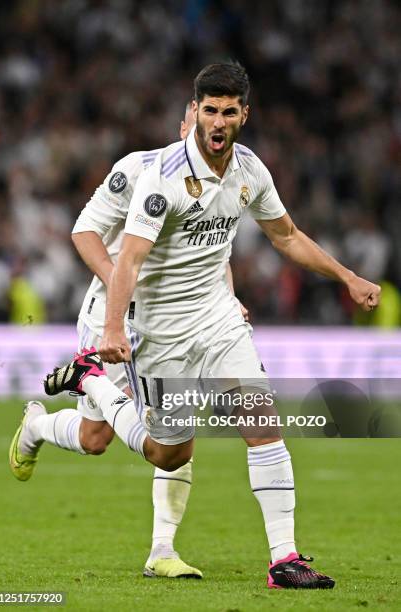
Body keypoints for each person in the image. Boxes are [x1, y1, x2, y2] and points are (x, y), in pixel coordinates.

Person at [43, 62, 380, 589]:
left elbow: (286, 235)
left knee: (263, 421)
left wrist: (347, 276)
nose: (218, 122)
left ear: (244, 114)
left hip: (219, 321)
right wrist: (112, 332)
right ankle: (92, 381)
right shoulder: (160, 177)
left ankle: (284, 559)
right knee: (167, 451)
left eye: (229, 111)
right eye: (210, 110)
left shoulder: (249, 171)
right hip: (163, 333)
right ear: (193, 113)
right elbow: (127, 260)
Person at [9, 105, 249, 579]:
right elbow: (84, 230)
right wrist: (120, 281)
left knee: (176, 431)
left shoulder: (220, 183)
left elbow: (213, 255)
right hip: (110, 317)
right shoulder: (137, 170)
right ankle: (36, 426)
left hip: (177, 325)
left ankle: (163, 549)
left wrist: (229, 299)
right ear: (184, 127)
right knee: (94, 438)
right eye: (197, 124)